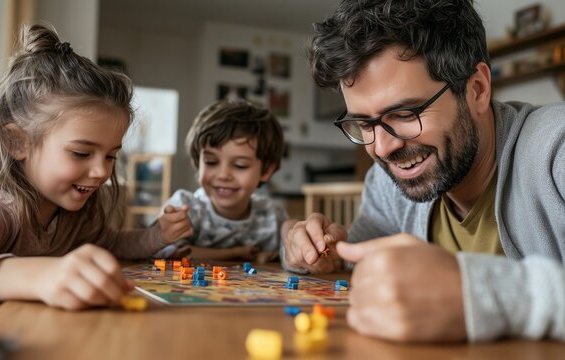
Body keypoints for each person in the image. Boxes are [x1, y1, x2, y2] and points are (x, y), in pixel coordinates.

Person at [281, 0, 565, 343]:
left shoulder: (557, 149)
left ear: (477, 89)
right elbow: (356, 267)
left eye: (404, 113)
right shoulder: (388, 184)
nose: (382, 149)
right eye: (362, 123)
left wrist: (480, 297)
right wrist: (312, 251)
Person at [0, 23, 178, 312]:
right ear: (18, 142)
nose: (101, 172)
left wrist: (158, 236)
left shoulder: (76, 215)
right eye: (82, 153)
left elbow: (111, 243)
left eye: (110, 156)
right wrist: (42, 275)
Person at [154, 98, 288, 262]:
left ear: (266, 171)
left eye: (240, 165)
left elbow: (294, 256)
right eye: (211, 162)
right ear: (198, 162)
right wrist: (236, 253)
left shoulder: (273, 216)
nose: (223, 175)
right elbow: (168, 252)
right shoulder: (184, 208)